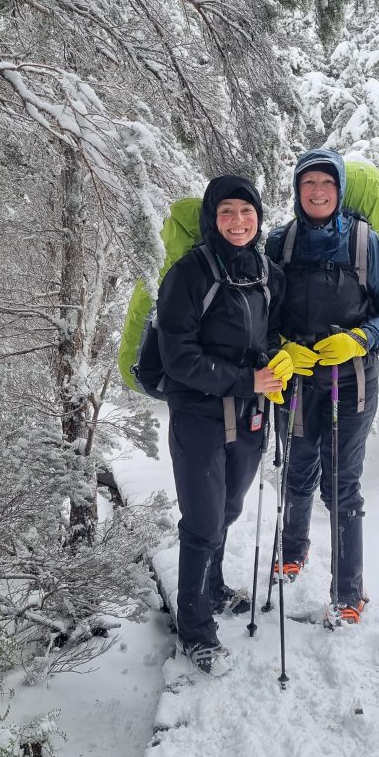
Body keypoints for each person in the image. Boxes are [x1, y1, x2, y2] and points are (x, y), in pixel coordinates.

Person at [265, 149, 379, 624]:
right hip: (297, 379)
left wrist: (360, 339)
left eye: (327, 183)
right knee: (297, 469)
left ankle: (349, 591)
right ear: (297, 190)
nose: (318, 191)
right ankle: (292, 550)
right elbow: (255, 313)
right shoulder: (279, 245)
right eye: (309, 183)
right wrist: (280, 346)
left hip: (352, 382)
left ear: (340, 189)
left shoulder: (364, 244)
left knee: (343, 483)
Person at [157, 175, 292, 675]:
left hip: (251, 413)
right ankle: (195, 630)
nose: (238, 222)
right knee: (202, 520)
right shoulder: (188, 275)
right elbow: (178, 358)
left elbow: (273, 331)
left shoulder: (266, 272)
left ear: (258, 216)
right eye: (227, 212)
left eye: (247, 212)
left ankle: (211, 588)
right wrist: (248, 379)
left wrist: (279, 363)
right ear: (212, 218)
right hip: (198, 413)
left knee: (230, 507)